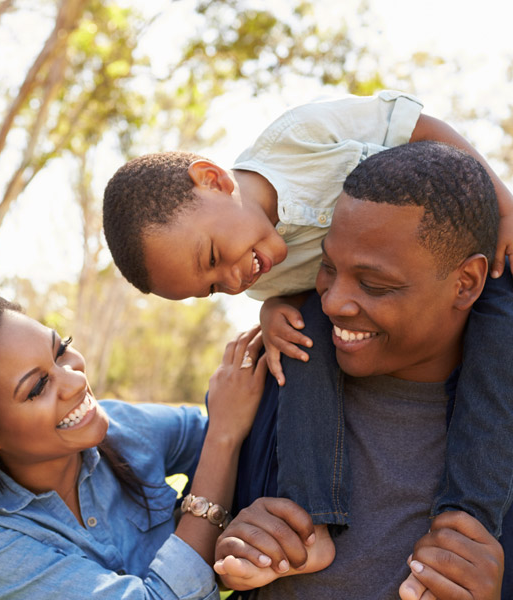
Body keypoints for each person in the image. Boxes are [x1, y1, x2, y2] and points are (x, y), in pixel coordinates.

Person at [102, 90, 513, 550]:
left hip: (466, 250)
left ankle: (470, 519)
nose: (234, 279)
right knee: (298, 347)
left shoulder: (299, 137)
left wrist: (502, 202)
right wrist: (272, 307)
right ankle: (307, 519)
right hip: (353, 305)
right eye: (214, 287)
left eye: (215, 256)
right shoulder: (260, 276)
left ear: (213, 179)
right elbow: (304, 292)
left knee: (499, 350)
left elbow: (421, 128)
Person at [213, 141, 507, 599]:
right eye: (328, 267)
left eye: (374, 284)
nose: (332, 302)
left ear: (466, 283)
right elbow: (189, 542)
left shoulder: (496, 436)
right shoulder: (271, 383)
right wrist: (233, 545)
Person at [0, 288, 271, 600]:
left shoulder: (122, 427)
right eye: (37, 388)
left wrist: (280, 317)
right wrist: (222, 442)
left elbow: (249, 435)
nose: (75, 381)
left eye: (60, 351)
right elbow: (223, 433)